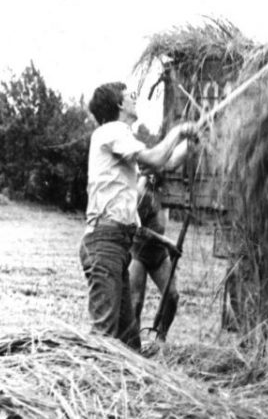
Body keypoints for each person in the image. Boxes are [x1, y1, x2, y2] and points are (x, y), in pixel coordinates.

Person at [80, 82, 197, 350]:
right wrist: (179, 131)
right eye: (130, 96)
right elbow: (156, 159)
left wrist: (189, 144)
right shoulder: (111, 131)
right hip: (105, 242)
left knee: (129, 342)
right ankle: (91, 385)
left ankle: (123, 386)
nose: (135, 99)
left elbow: (164, 162)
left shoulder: (120, 139)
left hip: (116, 243)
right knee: (104, 335)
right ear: (119, 105)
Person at [129, 141, 189, 342]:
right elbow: (137, 228)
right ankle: (133, 346)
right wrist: (167, 242)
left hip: (158, 255)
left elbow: (175, 158)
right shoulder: (142, 193)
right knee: (135, 302)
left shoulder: (166, 191)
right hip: (138, 253)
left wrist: (192, 141)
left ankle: (160, 339)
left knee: (172, 296)